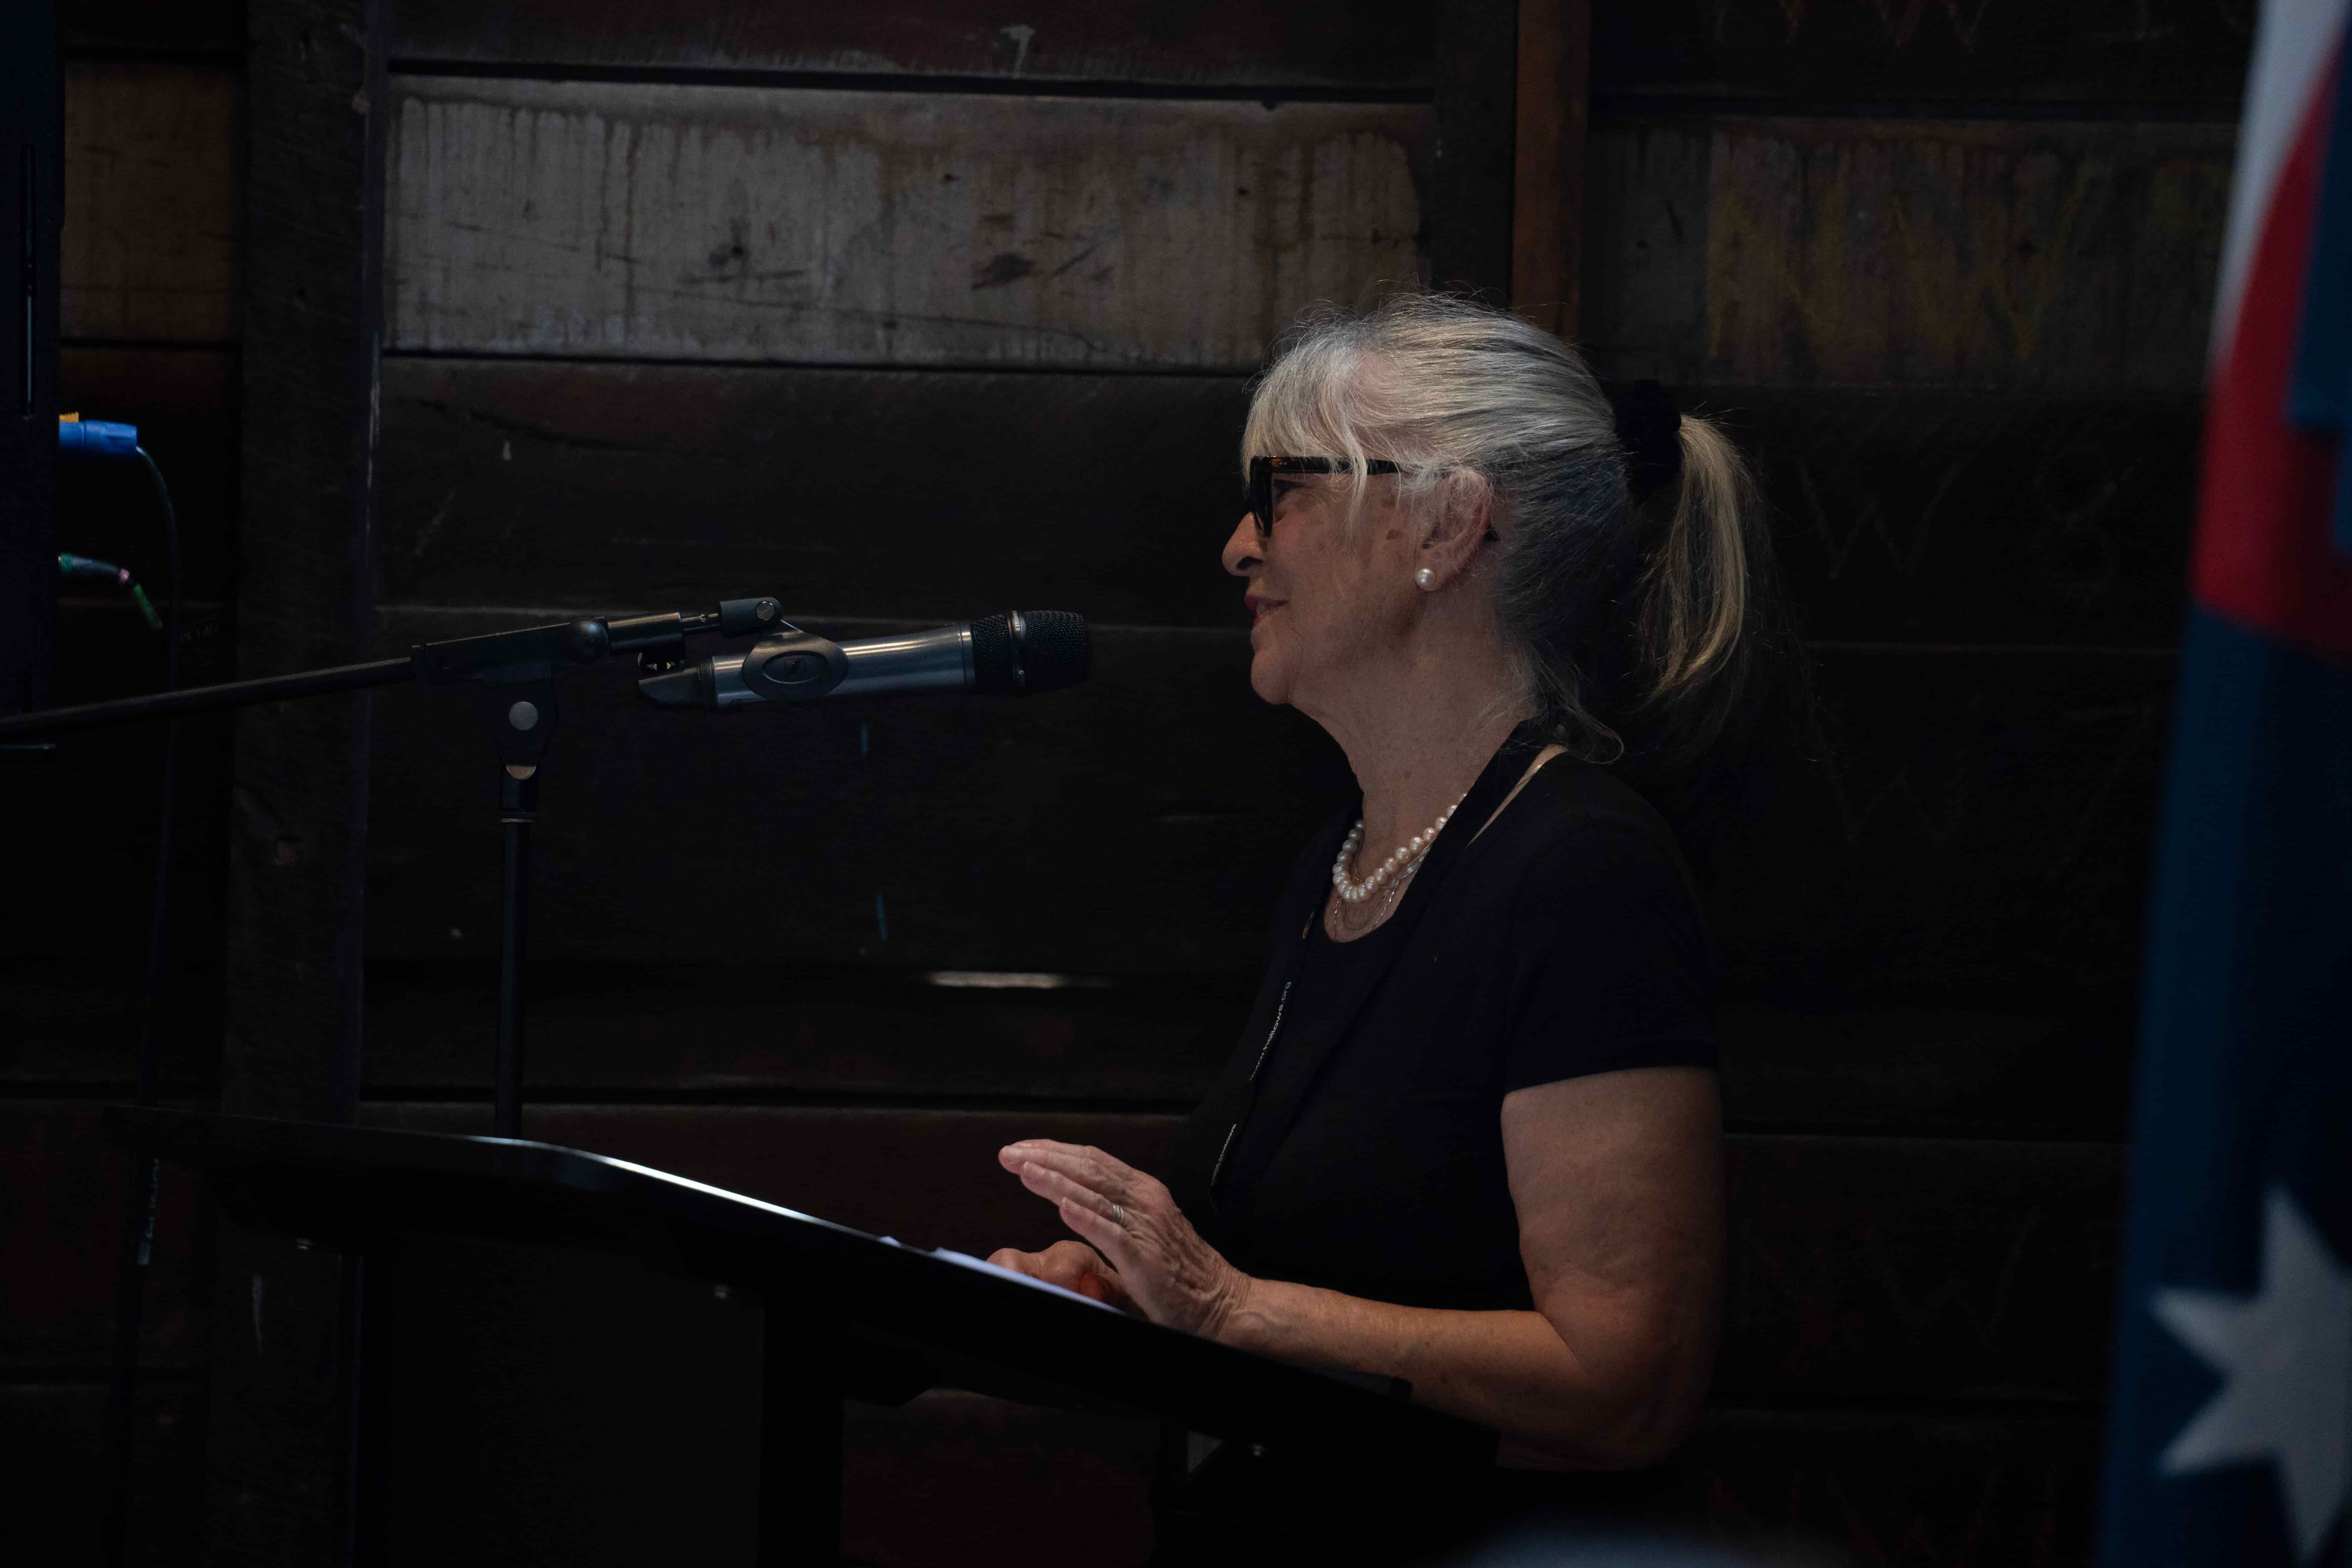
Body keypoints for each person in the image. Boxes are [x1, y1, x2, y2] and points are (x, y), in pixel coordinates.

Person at [985, 294, 1798, 1557]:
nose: (1240, 547)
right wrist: (1128, 1296)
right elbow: (1331, 1282)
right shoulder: (1346, 864)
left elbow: (1622, 1384)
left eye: (1281, 492)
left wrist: (1228, 1310)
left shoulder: (1583, 869)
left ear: (1447, 523)